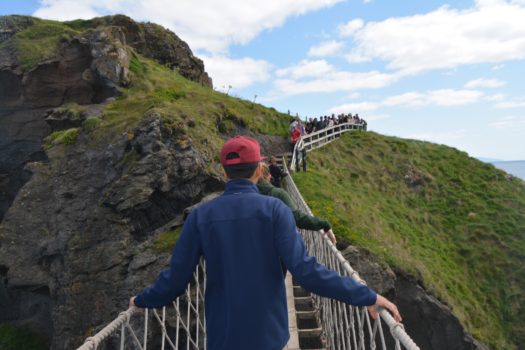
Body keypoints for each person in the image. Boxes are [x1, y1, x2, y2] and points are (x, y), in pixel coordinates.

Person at [129, 136, 401, 350]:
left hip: (224, 337)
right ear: (260, 169)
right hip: (269, 335)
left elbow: (176, 278)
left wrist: (143, 300)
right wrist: (366, 295)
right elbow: (306, 272)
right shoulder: (275, 210)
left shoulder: (201, 215)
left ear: (225, 173)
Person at [257, 163, 336, 245]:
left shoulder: (244, 196)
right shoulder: (279, 194)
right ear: (268, 176)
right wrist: (324, 224)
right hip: (274, 246)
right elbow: (297, 218)